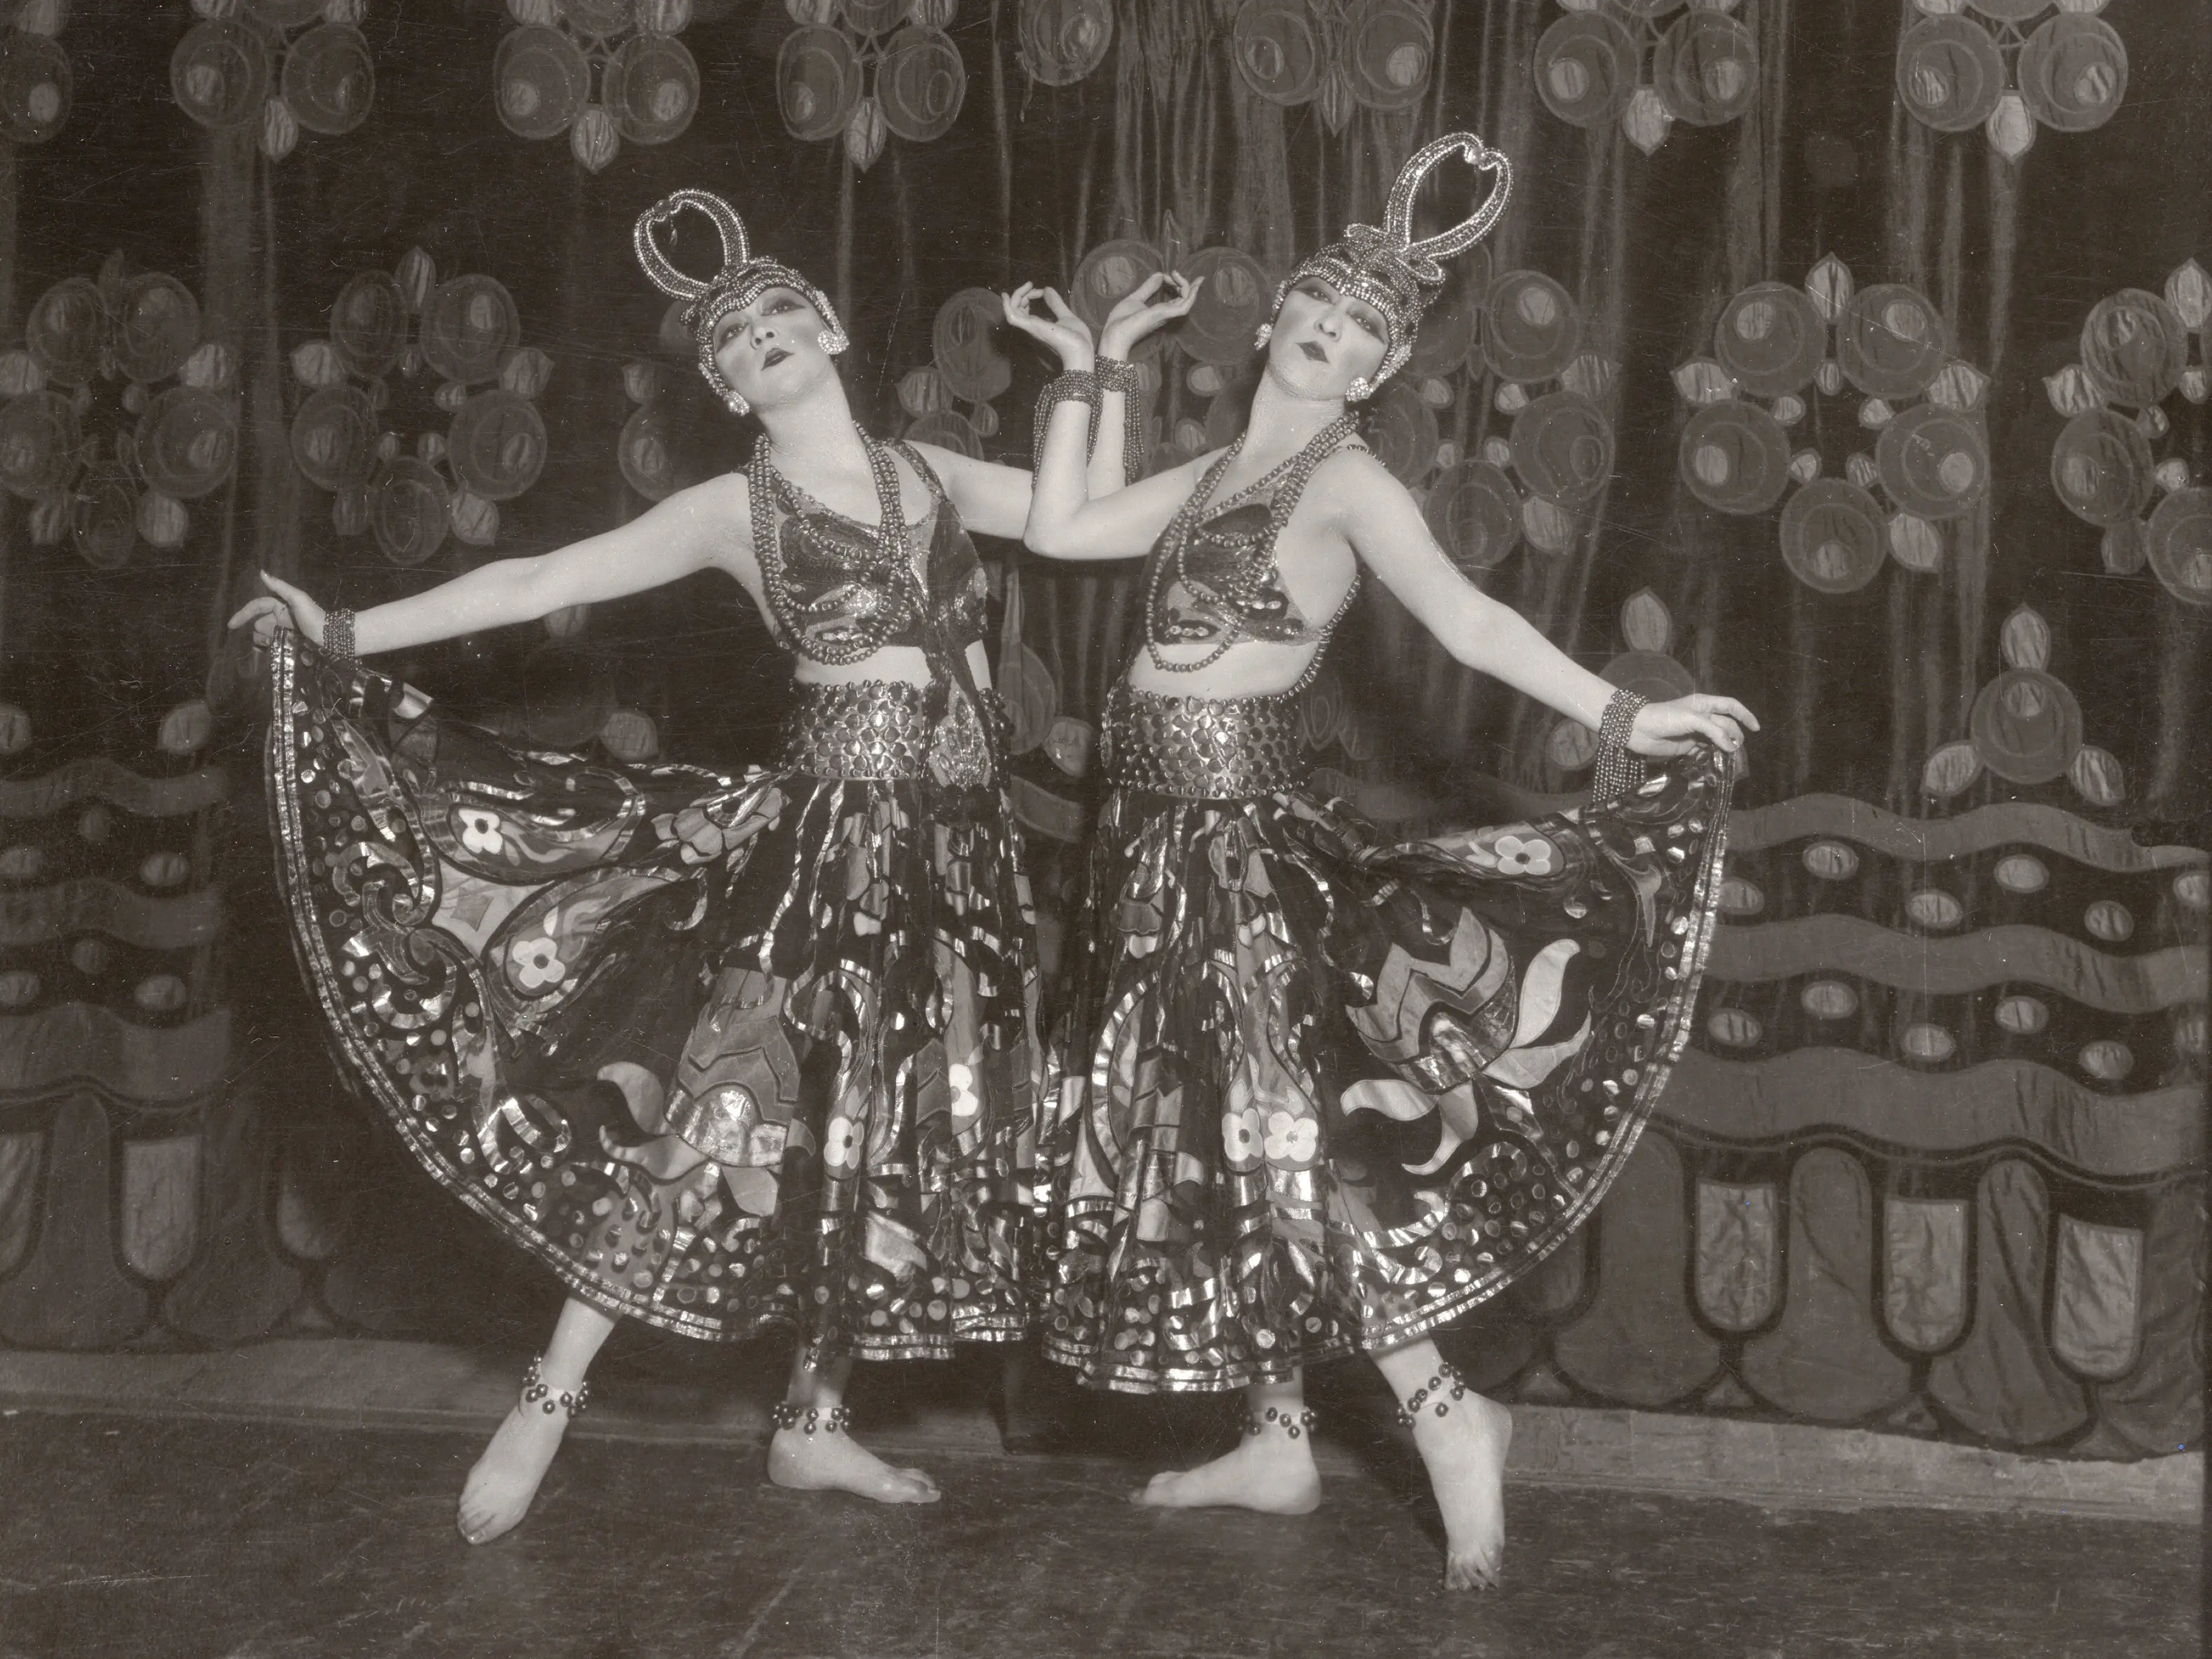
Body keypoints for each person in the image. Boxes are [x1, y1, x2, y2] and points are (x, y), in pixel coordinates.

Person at [231, 188, 1184, 1545]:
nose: (762, 341)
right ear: (727, 390)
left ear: (834, 327)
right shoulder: (728, 509)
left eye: (780, 315)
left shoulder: (932, 471)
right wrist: (342, 624)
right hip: (827, 840)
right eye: (733, 342)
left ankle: (812, 1421)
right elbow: (536, 575)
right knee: (719, 1111)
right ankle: (547, 1398)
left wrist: (1096, 372)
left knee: (883, 1126)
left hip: (962, 850)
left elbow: (1099, 516)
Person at [1002, 134, 1755, 1591]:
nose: (1326, 332)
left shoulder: (1346, 488)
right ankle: (1281, 1438)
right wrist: (1099, 370)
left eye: (1359, 331)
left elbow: (1468, 625)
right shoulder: (1215, 469)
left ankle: (1445, 1408)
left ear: (1368, 375)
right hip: (1150, 842)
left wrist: (1625, 710)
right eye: (1315, 307)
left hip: (1237, 850)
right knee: (1217, 1134)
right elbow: (1059, 524)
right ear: (1279, 321)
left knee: (1285, 1131)